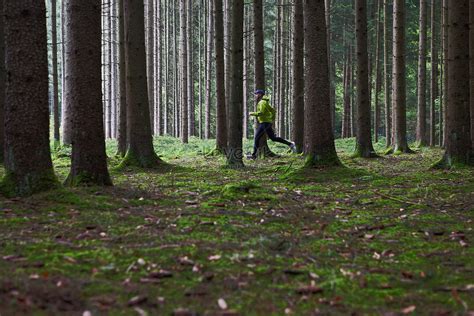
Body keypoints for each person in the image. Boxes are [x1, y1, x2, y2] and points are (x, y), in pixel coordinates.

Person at [248, 89, 295, 159]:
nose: (255, 96)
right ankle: (290, 144)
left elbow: (261, 113)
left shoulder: (262, 102)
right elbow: (273, 110)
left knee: (257, 138)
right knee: (272, 138)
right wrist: (272, 120)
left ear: (260, 94)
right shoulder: (265, 102)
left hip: (264, 123)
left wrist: (252, 113)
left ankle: (254, 155)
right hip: (266, 123)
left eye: (256, 94)